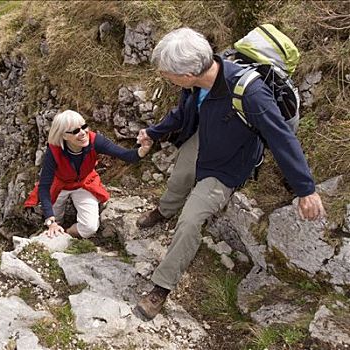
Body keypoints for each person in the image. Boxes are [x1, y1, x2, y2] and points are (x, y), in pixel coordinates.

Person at [134, 28, 326, 320]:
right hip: (205, 139)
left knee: (190, 222)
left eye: (167, 75)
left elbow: (280, 138)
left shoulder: (251, 92)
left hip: (227, 164)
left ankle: (161, 287)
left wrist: (305, 189)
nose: (166, 79)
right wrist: (154, 132)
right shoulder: (200, 78)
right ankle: (163, 210)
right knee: (179, 177)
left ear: (187, 74)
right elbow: (183, 113)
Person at [25, 110, 153, 239]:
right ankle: (57, 228)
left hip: (84, 183)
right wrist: (51, 222)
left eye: (84, 127)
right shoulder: (54, 151)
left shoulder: (95, 140)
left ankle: (67, 234)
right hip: (59, 185)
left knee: (89, 228)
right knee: (55, 219)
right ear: (64, 136)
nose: (83, 133)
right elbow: (44, 186)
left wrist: (143, 149)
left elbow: (126, 155)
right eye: (75, 131)